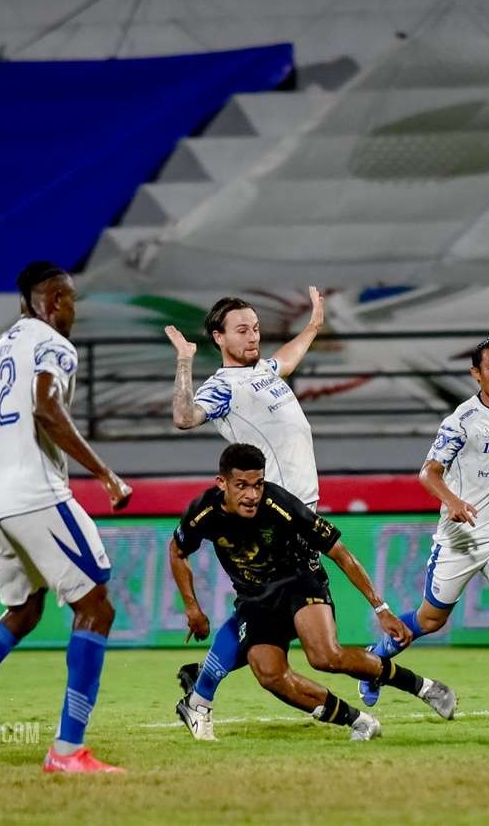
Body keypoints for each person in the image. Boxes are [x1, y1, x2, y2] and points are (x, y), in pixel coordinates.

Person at [0, 261, 132, 773]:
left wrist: (2, 483)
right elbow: (46, 408)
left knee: (24, 612)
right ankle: (67, 751)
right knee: (96, 608)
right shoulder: (53, 344)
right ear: (54, 300)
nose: (74, 310)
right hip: (37, 495)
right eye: (71, 300)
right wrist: (106, 474)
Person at [168, 443, 456, 741]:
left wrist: (380, 608)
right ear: (222, 483)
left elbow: (341, 553)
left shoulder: (281, 505)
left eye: (258, 484)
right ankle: (358, 720)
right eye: (242, 486)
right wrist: (191, 607)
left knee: (325, 656)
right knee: (269, 674)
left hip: (298, 581)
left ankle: (425, 688)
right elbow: (177, 551)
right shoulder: (202, 512)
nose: (252, 495)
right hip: (254, 598)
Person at [361, 336, 489, 724]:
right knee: (429, 621)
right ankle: (376, 657)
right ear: (476, 374)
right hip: (461, 538)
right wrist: (452, 502)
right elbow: (428, 472)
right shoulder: (461, 421)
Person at [163, 289, 324, 741]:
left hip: (299, 511)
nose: (252, 336)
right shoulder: (221, 387)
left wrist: (312, 326)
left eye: (254, 328)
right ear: (219, 337)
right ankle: (200, 693)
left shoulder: (265, 372)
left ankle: (201, 680)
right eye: (241, 330)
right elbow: (184, 416)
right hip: (273, 514)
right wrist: (184, 362)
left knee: (271, 619)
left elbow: (285, 361)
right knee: (269, 616)